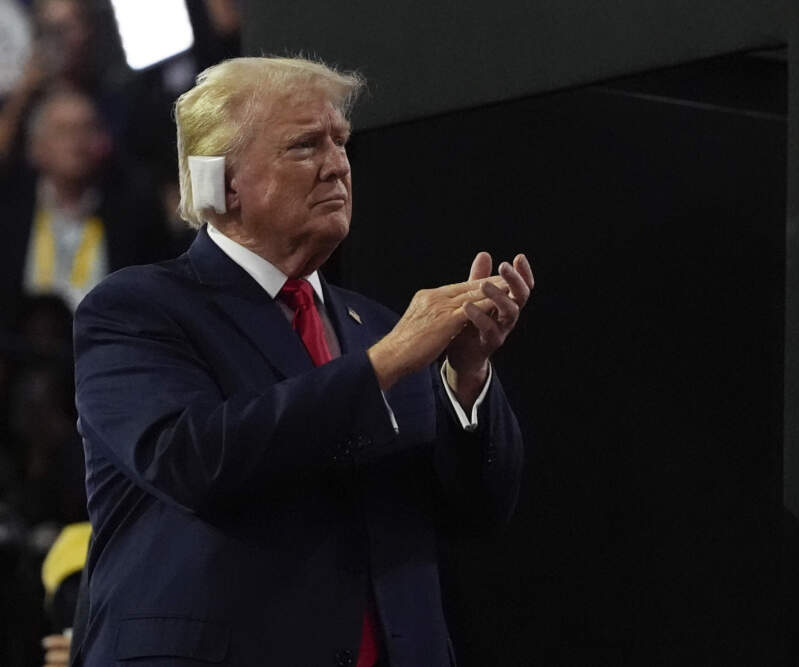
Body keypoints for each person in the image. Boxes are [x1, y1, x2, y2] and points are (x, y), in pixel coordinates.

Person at [72, 56, 533, 667]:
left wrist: (466, 377)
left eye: (341, 143)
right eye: (305, 145)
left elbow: (478, 512)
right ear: (221, 182)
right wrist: (386, 363)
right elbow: (193, 459)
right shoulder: (136, 310)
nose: (338, 165)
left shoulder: (380, 326)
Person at [0, 86, 168, 324]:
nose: (76, 142)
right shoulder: (9, 211)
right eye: (63, 131)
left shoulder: (135, 212)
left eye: (87, 129)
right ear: (36, 147)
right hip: (23, 352)